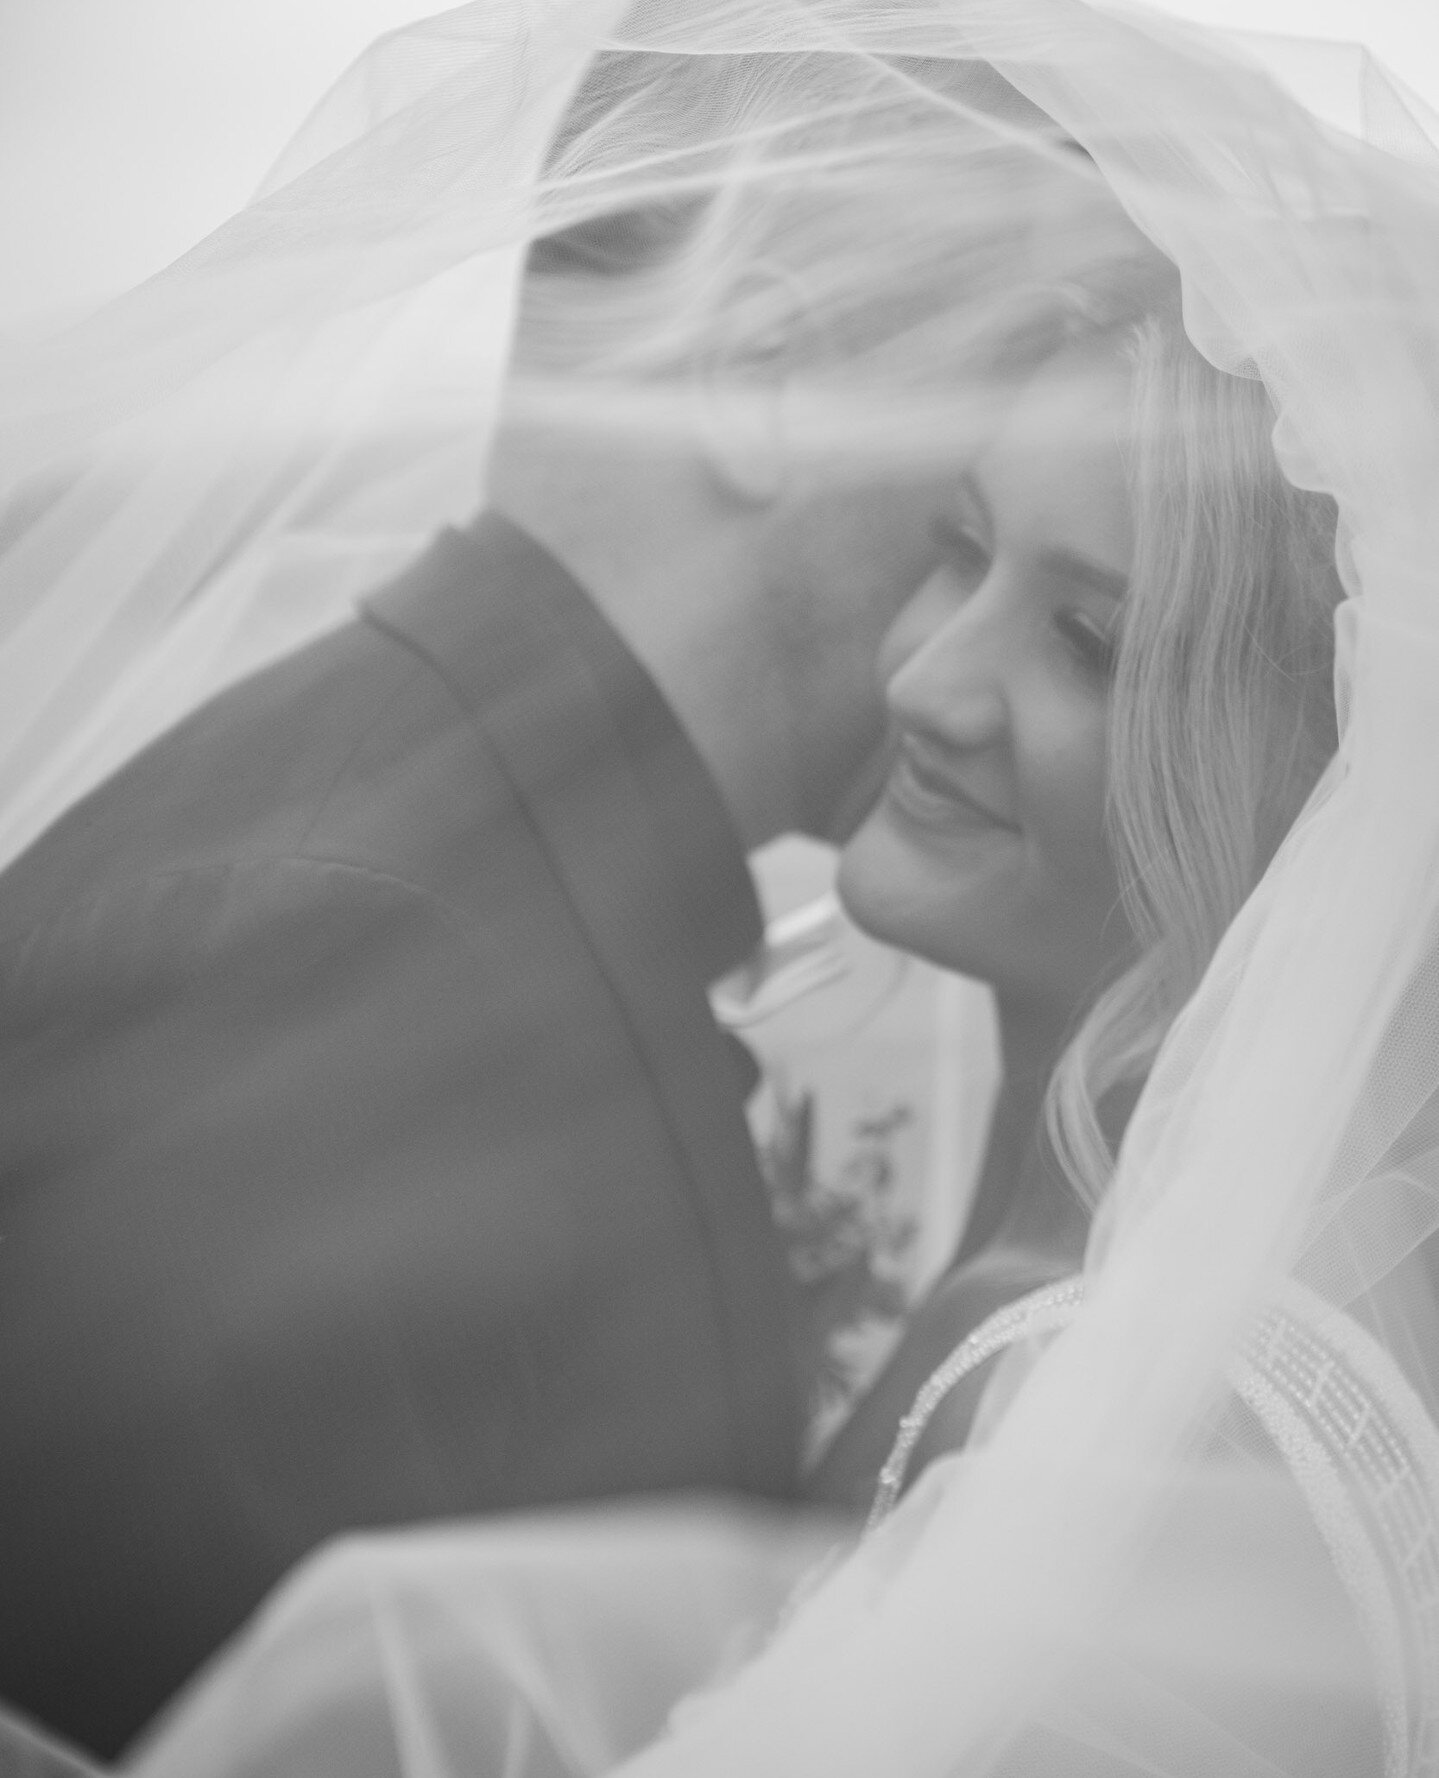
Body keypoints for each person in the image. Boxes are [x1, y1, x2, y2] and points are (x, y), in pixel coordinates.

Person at [79, 1, 1439, 1773]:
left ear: (1304, 788)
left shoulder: (1190, 1447)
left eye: (1088, 636)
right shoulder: (1013, 1256)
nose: (932, 680)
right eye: (956, 541)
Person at [0, 33, 1097, 1761]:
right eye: (1024, 358)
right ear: (766, 375)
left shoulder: (473, 863)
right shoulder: (344, 969)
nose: (1052, 437)